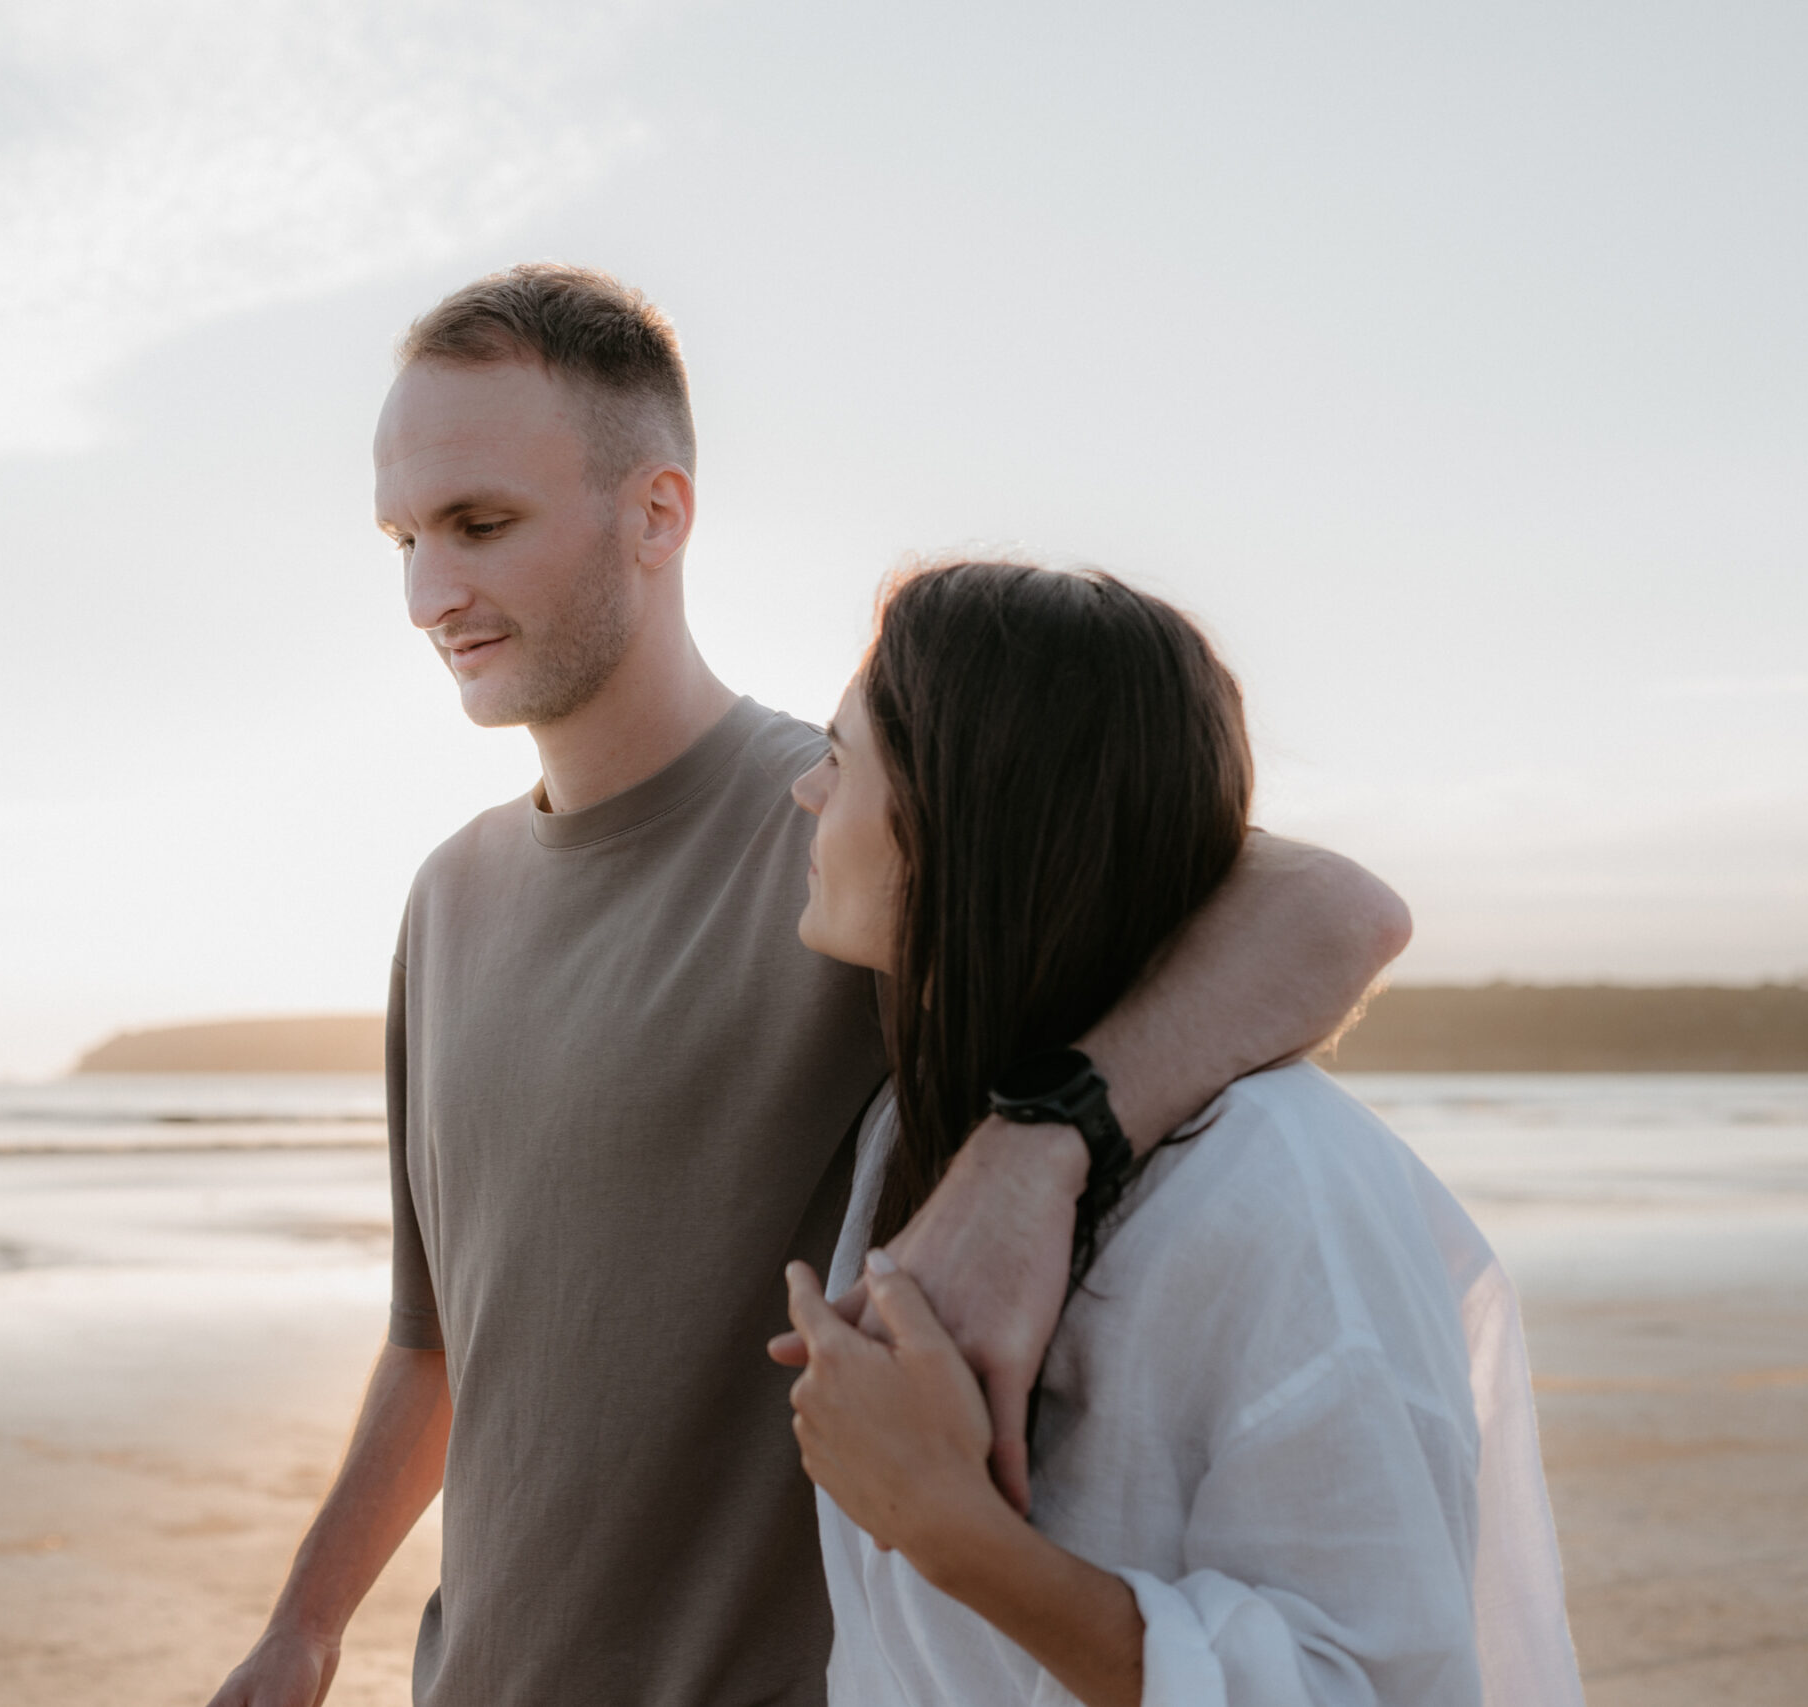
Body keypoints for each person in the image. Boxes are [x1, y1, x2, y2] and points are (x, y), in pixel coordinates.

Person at [206, 265, 1412, 1707]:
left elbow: (1331, 904)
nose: (427, 592)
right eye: (404, 535)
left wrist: (1042, 1145)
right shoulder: (447, 895)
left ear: (657, 513)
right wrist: (309, 1621)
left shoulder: (855, 829)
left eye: (481, 525)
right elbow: (437, 1343)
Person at [779, 560, 1580, 1706]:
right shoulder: (913, 1129)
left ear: (966, 812)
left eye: (838, 758)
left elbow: (1370, 1680)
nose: (802, 794)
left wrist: (956, 1533)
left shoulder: (1277, 1184)